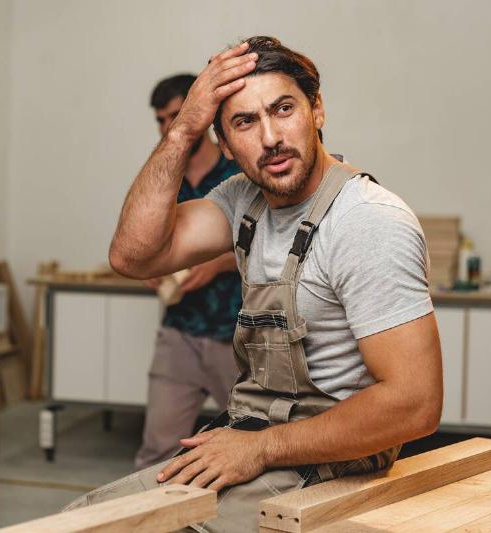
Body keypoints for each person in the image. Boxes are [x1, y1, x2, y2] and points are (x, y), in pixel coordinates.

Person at [69, 36, 443, 532]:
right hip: (255, 435)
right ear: (223, 143)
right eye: (245, 122)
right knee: (84, 520)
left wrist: (260, 448)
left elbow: (416, 405)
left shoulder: (367, 221)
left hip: (332, 459)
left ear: (317, 109)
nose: (270, 138)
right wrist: (182, 130)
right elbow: (133, 256)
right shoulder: (243, 200)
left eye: (283, 109)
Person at [135, 74, 242, 469]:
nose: (168, 127)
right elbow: (144, 243)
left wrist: (218, 264)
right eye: (161, 120)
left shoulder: (239, 172)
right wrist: (151, 266)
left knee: (254, 444)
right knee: (157, 452)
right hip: (179, 332)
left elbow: (274, 245)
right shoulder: (163, 178)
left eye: (177, 116)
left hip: (237, 337)